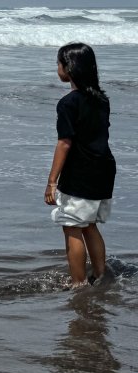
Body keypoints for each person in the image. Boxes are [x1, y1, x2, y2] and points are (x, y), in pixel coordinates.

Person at [45, 43, 116, 287]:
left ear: (69, 68)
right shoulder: (101, 100)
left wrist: (52, 181)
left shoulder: (68, 103)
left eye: (59, 63)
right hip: (104, 168)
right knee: (90, 225)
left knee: (72, 226)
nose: (57, 68)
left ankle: (78, 284)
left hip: (81, 170)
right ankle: (99, 274)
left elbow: (64, 143)